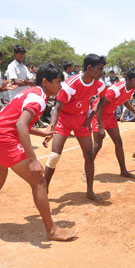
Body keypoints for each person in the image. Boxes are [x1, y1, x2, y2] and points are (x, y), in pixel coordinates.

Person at [0, 62, 77, 241]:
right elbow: (20, 125)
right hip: (5, 139)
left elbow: (15, 121)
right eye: (57, 82)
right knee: (39, 181)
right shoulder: (38, 98)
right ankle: (52, 230)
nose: (60, 86)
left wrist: (40, 131)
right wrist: (33, 159)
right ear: (45, 81)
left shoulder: (32, 93)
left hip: (2, 134)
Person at [44, 54, 107, 202]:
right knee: (55, 156)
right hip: (64, 119)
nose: (102, 73)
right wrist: (51, 128)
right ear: (90, 68)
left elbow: (102, 99)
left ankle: (90, 191)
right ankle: (44, 187)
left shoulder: (99, 84)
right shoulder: (71, 85)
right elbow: (57, 109)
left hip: (82, 120)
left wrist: (91, 115)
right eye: (100, 69)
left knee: (89, 156)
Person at [87, 68, 135, 179]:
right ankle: (86, 171)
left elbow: (124, 99)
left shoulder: (131, 89)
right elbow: (99, 105)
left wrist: (134, 111)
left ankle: (123, 171)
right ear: (128, 79)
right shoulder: (115, 90)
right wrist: (101, 126)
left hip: (110, 115)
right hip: (99, 114)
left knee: (118, 143)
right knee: (98, 145)